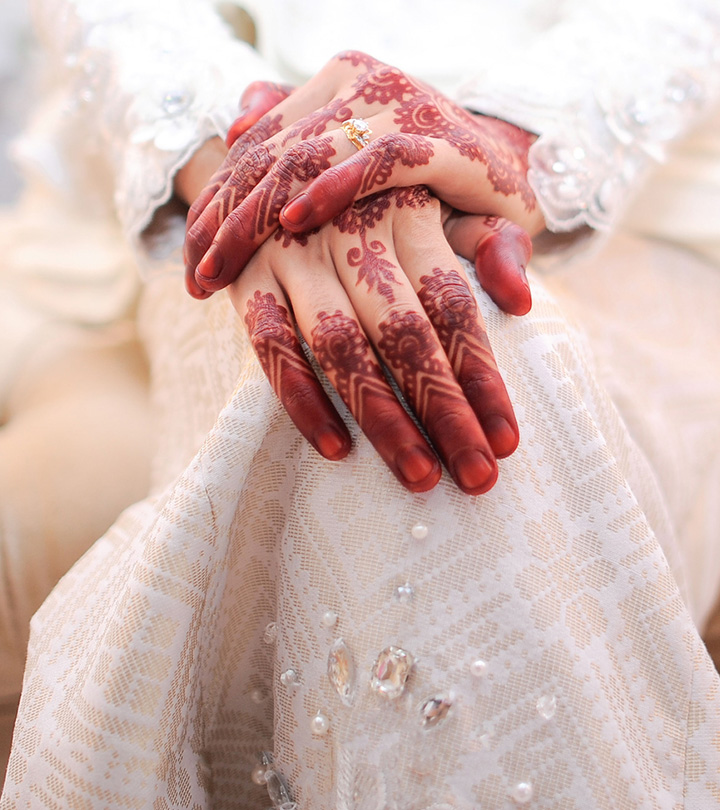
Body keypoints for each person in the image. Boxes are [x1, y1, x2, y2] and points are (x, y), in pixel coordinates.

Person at [2, 0, 720, 807]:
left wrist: (516, 135)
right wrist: (251, 154)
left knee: (474, 331)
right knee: (337, 354)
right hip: (219, 146)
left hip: (637, 203)